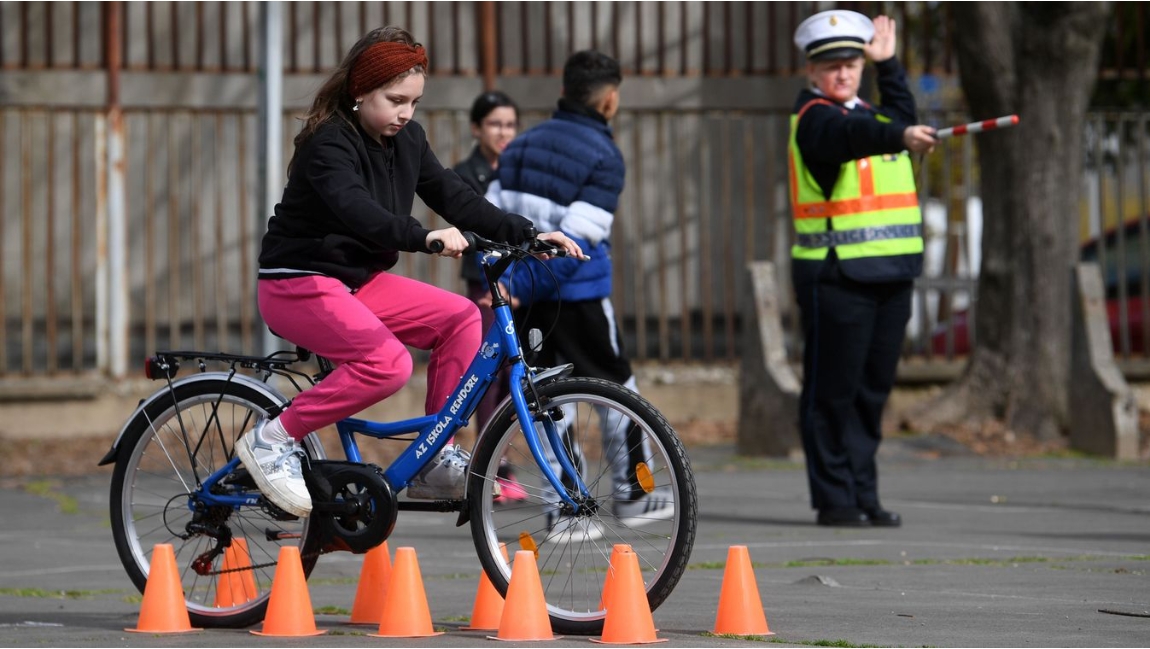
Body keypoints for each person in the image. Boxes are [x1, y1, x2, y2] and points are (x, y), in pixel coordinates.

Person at [236, 26, 582, 517]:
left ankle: (433, 456)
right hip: (298, 282)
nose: (405, 113)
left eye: (414, 102)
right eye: (395, 99)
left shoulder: (409, 141)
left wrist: (526, 234)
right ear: (360, 91)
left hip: (357, 284)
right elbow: (355, 208)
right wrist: (423, 236)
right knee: (388, 364)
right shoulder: (328, 142)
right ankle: (272, 439)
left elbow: (453, 194)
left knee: (462, 318)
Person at [485, 50, 673, 534]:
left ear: (564, 91)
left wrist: (511, 284)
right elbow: (578, 243)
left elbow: (487, 220)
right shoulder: (604, 155)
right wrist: (523, 287)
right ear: (610, 99)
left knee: (549, 401)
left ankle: (566, 509)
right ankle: (636, 492)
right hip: (581, 299)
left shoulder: (520, 147)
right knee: (617, 395)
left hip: (525, 304)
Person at [788, 11, 937, 527]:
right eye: (832, 66)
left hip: (892, 274)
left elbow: (899, 114)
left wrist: (890, 64)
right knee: (833, 392)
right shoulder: (814, 118)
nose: (844, 74)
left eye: (852, 64)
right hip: (836, 276)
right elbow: (850, 135)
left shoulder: (877, 115)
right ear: (813, 72)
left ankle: (864, 493)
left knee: (872, 392)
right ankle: (836, 499)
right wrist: (899, 134)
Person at [452, 90, 526, 504]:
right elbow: (472, 236)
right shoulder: (465, 175)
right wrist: (491, 287)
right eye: (496, 124)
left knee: (521, 375)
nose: (504, 132)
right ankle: (488, 465)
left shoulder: (521, 171)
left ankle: (505, 463)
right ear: (477, 128)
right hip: (489, 288)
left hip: (524, 287)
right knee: (490, 376)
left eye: (511, 124)